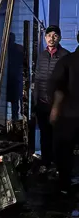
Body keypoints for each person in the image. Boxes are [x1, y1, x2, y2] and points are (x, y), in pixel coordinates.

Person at [33, 25, 70, 168]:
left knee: (58, 135)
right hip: (42, 103)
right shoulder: (42, 56)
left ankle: (58, 164)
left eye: (55, 35)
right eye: (49, 35)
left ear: (59, 38)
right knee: (45, 134)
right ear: (45, 38)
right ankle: (46, 163)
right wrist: (35, 101)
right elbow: (37, 80)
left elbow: (68, 81)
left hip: (58, 104)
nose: (51, 38)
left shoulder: (65, 56)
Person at [49, 32, 79, 192]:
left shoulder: (66, 61)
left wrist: (54, 109)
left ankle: (64, 185)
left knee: (64, 152)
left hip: (68, 116)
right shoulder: (66, 61)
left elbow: (57, 88)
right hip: (69, 115)